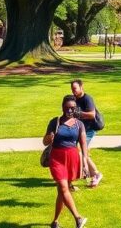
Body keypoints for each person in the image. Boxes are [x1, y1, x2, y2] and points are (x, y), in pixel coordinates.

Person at [42, 94, 88, 227]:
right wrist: (49, 138)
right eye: (67, 108)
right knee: (63, 187)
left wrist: (84, 161)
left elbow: (83, 143)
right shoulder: (55, 122)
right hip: (56, 158)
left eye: (72, 108)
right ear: (62, 107)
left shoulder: (79, 124)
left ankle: (55, 222)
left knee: (62, 191)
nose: (70, 110)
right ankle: (78, 218)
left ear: (76, 108)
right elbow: (44, 142)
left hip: (72, 157)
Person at [70, 79, 103, 188]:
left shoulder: (87, 99)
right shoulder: (74, 99)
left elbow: (92, 114)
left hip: (88, 130)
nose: (73, 91)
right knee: (78, 152)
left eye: (75, 88)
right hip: (78, 130)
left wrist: (78, 113)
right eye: (72, 89)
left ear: (81, 87)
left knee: (81, 151)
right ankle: (84, 173)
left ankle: (96, 174)